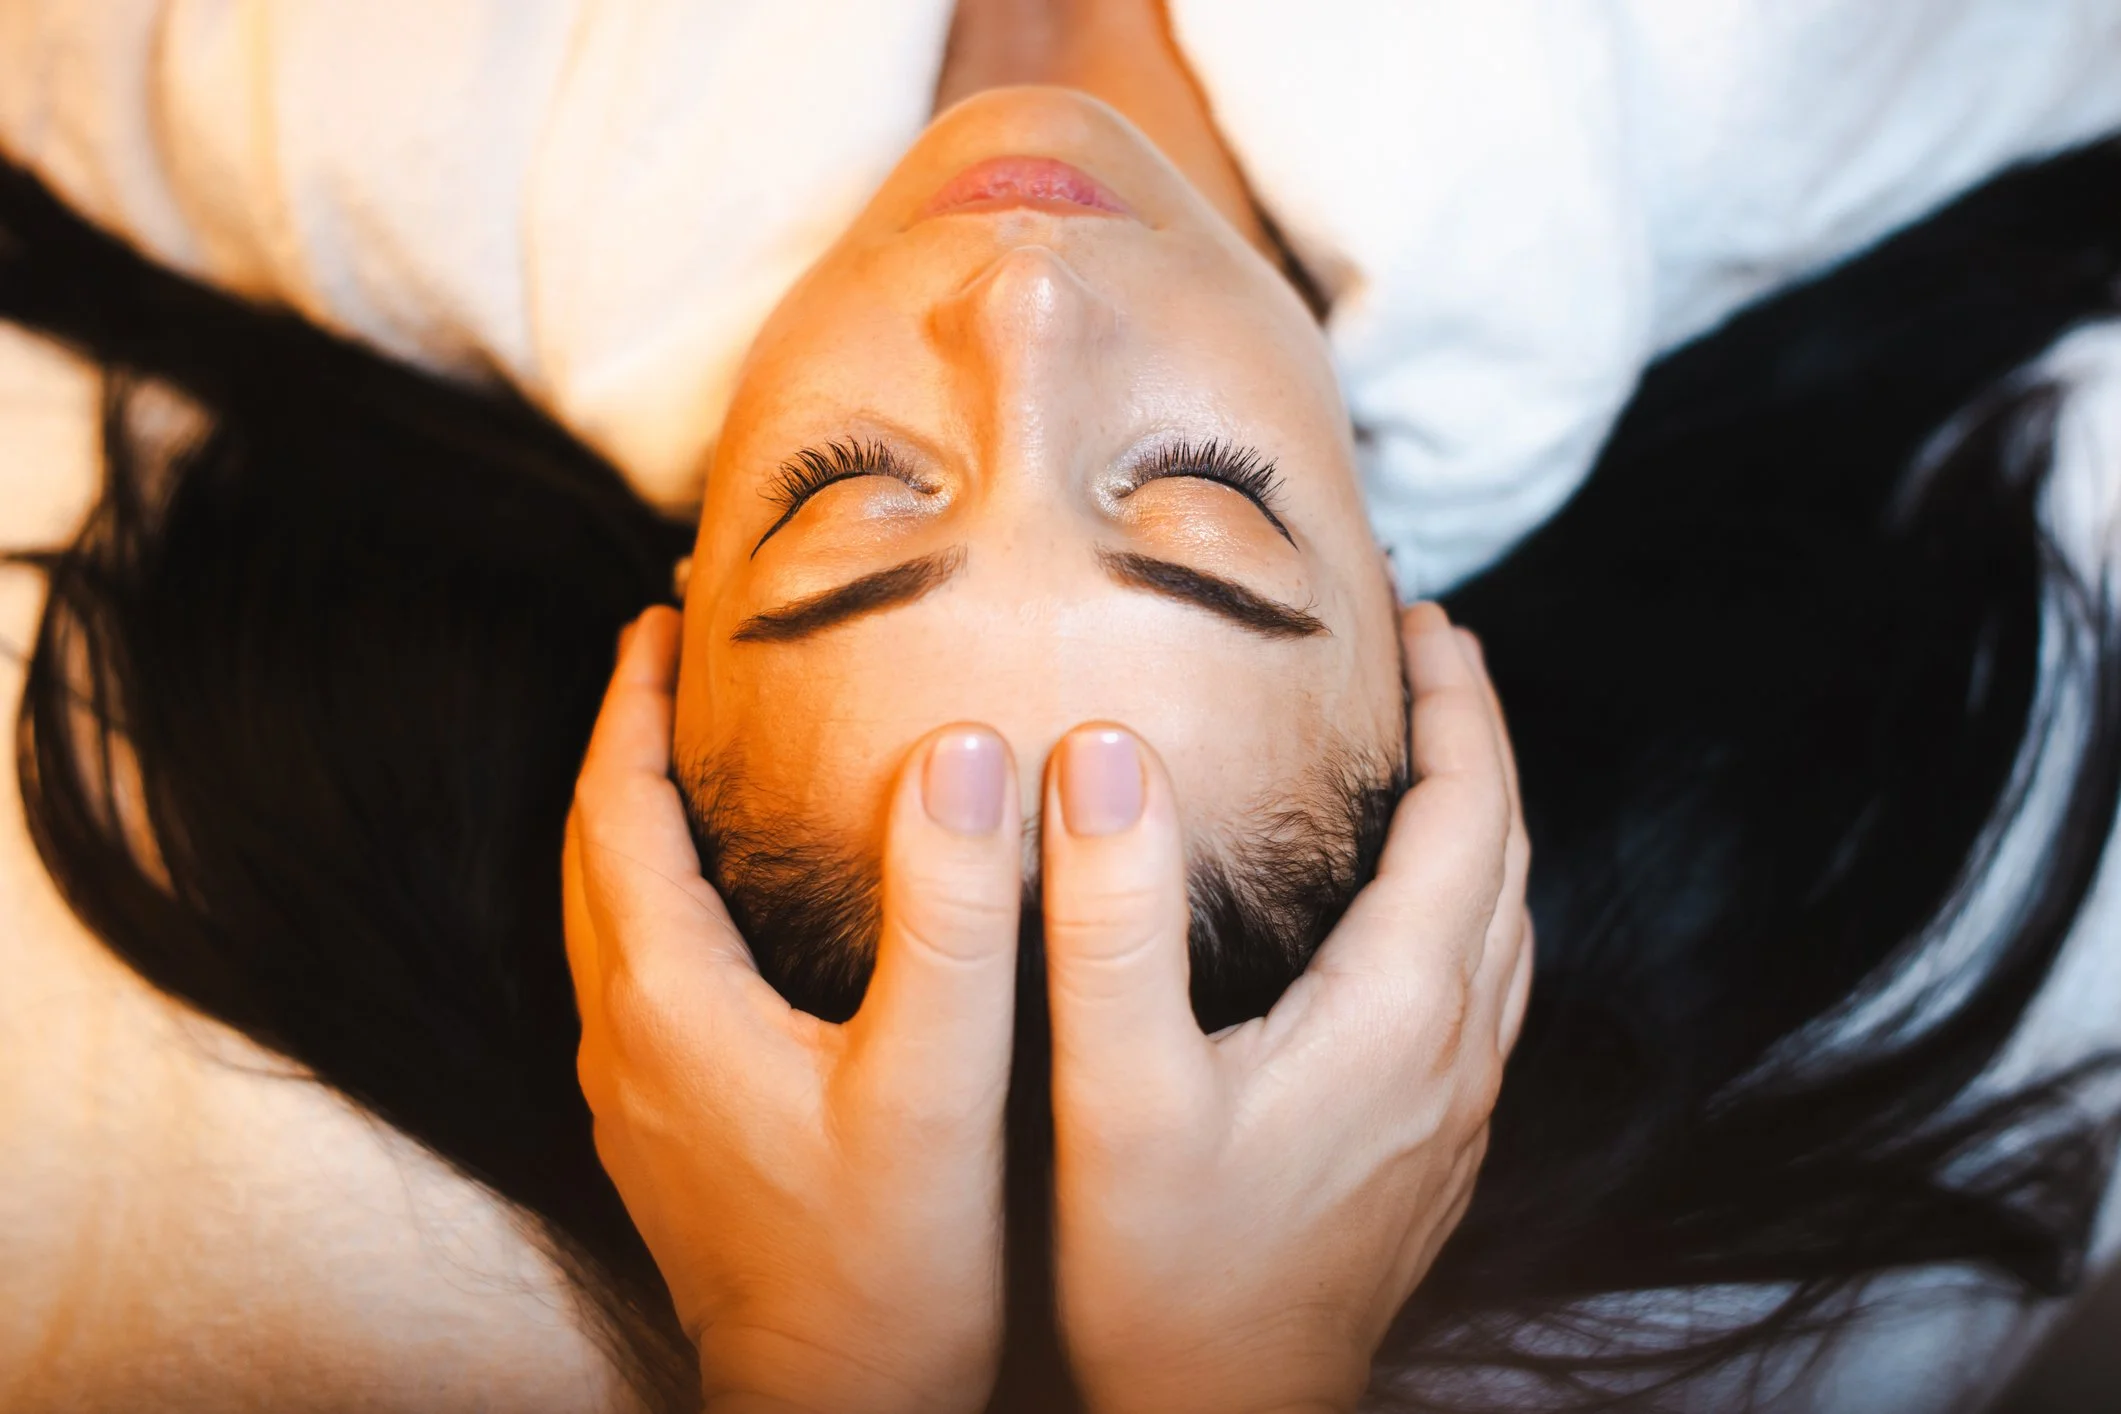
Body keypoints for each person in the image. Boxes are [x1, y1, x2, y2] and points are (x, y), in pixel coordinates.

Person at [1, 2, 2119, 1411]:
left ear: (678, 618)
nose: (1021, 311)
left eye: (847, 512)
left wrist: (816, 1345)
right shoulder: (1790, 59)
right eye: (1202, 514)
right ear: (1412, 616)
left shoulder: (316, 82)